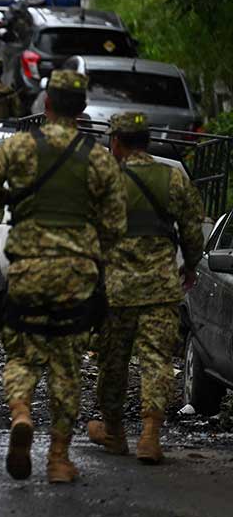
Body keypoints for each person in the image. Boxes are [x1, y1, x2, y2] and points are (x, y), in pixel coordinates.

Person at [0, 71, 125, 483]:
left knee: (22, 354)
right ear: (82, 109)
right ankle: (58, 458)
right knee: (67, 365)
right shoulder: (98, 157)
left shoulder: (18, 146)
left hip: (28, 269)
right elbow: (115, 225)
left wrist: (7, 200)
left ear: (47, 105)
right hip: (76, 274)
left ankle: (20, 412)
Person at [87, 112, 204, 464]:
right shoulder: (172, 178)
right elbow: (193, 230)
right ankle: (150, 435)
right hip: (161, 287)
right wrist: (191, 265)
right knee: (155, 361)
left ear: (117, 142)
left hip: (117, 288)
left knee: (112, 361)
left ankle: (114, 431)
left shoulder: (107, 179)